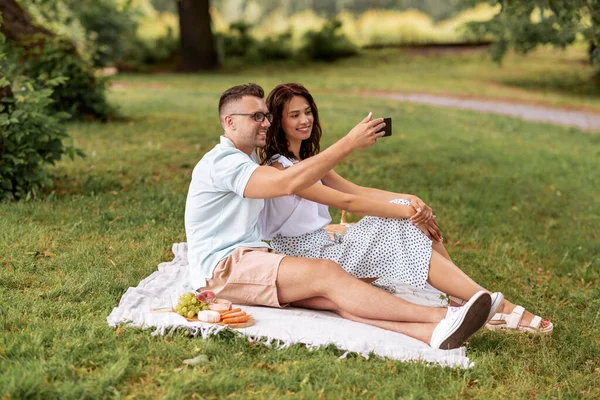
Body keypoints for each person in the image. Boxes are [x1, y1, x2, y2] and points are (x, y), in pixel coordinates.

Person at [185, 82, 494, 350]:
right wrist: (349, 143)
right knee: (328, 274)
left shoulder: (246, 157)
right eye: (256, 116)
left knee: (334, 297)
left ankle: (430, 333)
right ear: (230, 122)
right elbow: (287, 183)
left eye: (266, 115)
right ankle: (444, 316)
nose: (265, 122)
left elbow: (334, 188)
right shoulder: (225, 163)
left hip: (252, 257)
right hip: (223, 268)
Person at [258, 83, 552, 334]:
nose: (304, 120)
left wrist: (410, 200)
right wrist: (408, 212)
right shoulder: (280, 170)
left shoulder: (309, 161)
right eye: (294, 115)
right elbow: (347, 202)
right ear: (278, 122)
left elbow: (359, 191)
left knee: (405, 210)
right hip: (306, 258)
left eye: (308, 112)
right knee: (400, 218)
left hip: (329, 244)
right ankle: (490, 302)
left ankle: (465, 297)